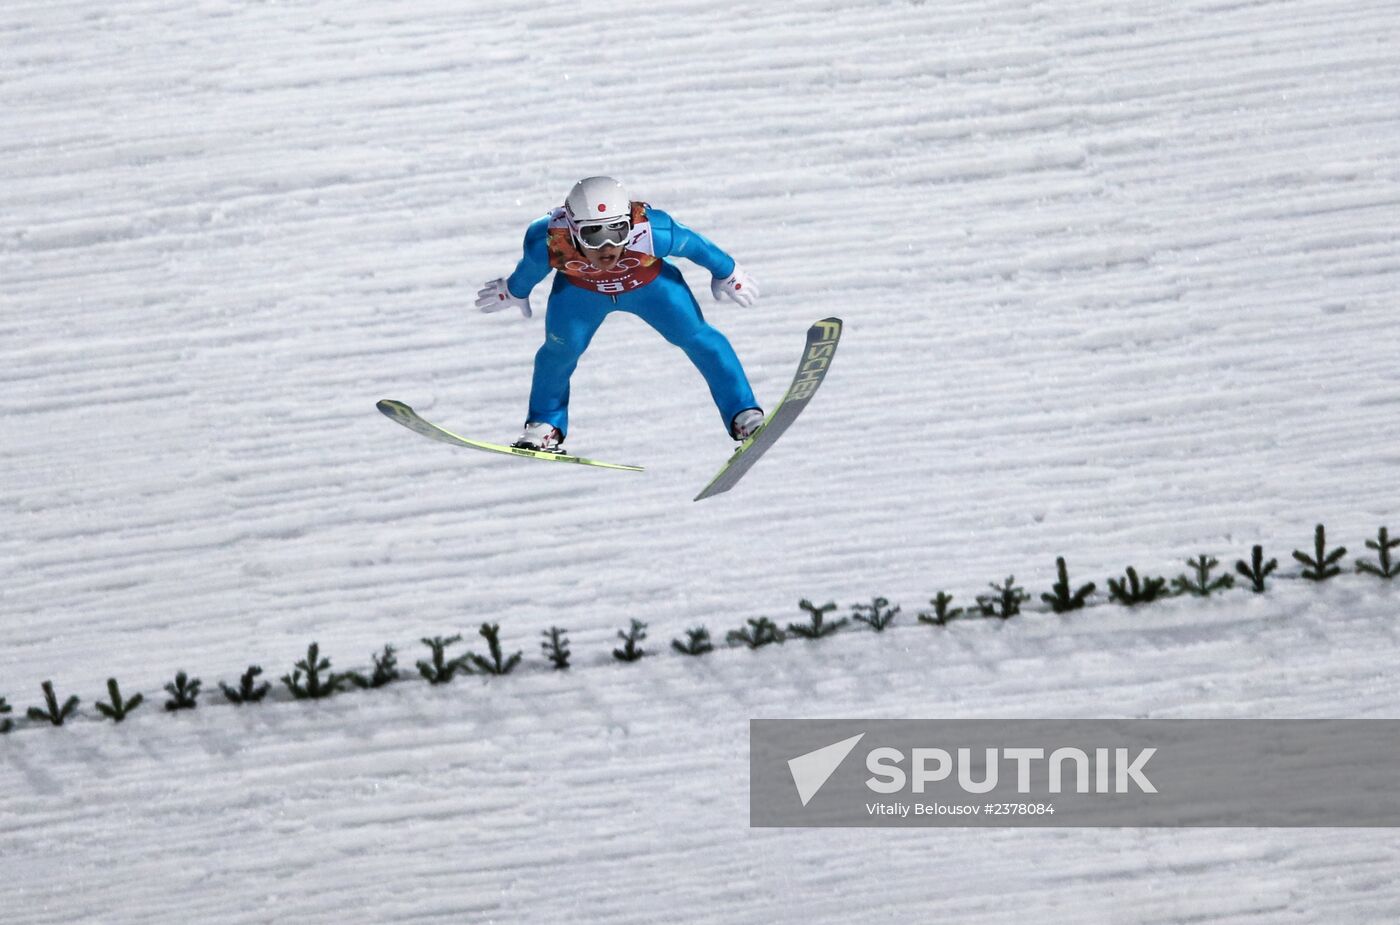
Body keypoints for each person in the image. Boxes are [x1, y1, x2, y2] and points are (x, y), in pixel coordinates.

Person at [475, 176, 764, 452]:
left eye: (617, 230)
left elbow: (697, 246)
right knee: (560, 352)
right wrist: (514, 291)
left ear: (630, 223)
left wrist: (728, 272)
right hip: (580, 295)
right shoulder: (550, 239)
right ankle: (544, 423)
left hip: (651, 288)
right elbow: (531, 268)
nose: (607, 246)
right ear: (573, 229)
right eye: (594, 234)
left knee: (698, 337)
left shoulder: (653, 230)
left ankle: (742, 412)